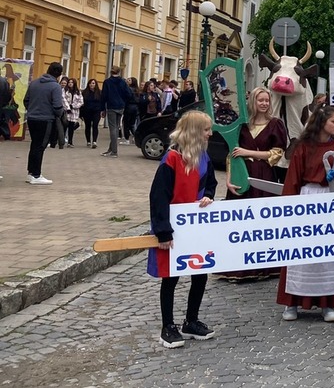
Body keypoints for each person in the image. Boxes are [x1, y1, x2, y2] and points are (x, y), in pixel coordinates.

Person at [147, 110, 218, 348]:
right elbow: (158, 197)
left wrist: (208, 196)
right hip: (173, 227)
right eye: (206, 129)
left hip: (196, 226)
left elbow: (211, 183)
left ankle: (191, 321)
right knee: (171, 277)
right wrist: (163, 232)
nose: (210, 133)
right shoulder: (171, 159)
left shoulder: (203, 156)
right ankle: (168, 326)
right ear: (195, 132)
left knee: (200, 273)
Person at [277, 105, 334, 322]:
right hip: (307, 199)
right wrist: (289, 208)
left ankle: (327, 304)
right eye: (333, 121)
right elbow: (293, 178)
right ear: (321, 122)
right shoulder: (304, 146)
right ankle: (292, 303)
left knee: (328, 253)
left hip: (330, 200)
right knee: (301, 252)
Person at [218, 86, 288, 280]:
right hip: (242, 174)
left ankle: (264, 266)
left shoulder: (276, 124)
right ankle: (238, 266)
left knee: (262, 222)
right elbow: (232, 154)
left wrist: (248, 152)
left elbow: (276, 154)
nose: (264, 103)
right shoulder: (241, 125)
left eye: (267, 100)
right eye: (260, 100)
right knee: (241, 222)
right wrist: (229, 179)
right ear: (253, 102)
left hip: (264, 176)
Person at [23, 62, 64, 185]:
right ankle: (36, 175)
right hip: (46, 119)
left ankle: (31, 173)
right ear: (59, 74)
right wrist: (59, 114)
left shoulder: (34, 83)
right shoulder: (55, 87)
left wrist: (32, 109)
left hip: (32, 118)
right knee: (40, 146)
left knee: (34, 144)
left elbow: (26, 100)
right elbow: (57, 106)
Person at [100, 66, 132, 158]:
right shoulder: (122, 81)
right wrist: (123, 101)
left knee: (113, 129)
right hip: (121, 106)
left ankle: (114, 152)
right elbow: (129, 94)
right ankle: (110, 149)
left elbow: (104, 96)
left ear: (111, 72)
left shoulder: (107, 82)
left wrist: (102, 109)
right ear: (119, 72)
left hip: (111, 106)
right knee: (116, 127)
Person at [80, 79, 102, 149]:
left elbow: (102, 102)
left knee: (95, 125)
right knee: (88, 126)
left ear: (95, 84)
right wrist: (81, 114)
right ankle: (88, 141)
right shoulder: (84, 92)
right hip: (87, 111)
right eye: (90, 83)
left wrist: (102, 111)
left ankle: (94, 141)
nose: (91, 85)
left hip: (96, 111)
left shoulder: (99, 92)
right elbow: (82, 103)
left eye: (93, 83)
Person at [62, 78, 83, 148]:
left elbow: (81, 102)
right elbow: (63, 99)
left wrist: (73, 106)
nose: (70, 83)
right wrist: (68, 107)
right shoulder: (64, 90)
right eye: (69, 82)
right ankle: (62, 140)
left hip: (74, 111)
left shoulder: (78, 92)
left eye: (72, 82)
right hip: (66, 111)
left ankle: (70, 142)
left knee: (71, 127)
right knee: (64, 126)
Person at [47, 77, 67, 149]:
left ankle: (57, 142)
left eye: (65, 83)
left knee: (57, 127)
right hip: (57, 110)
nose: (63, 84)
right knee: (58, 127)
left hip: (55, 111)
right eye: (62, 83)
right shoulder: (57, 88)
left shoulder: (55, 89)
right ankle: (58, 142)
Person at [122, 77, 141, 145]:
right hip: (135, 108)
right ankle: (136, 137)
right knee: (132, 124)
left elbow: (126, 98)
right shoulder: (137, 90)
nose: (127, 81)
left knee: (126, 123)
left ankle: (127, 139)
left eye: (129, 80)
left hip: (129, 107)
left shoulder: (129, 89)